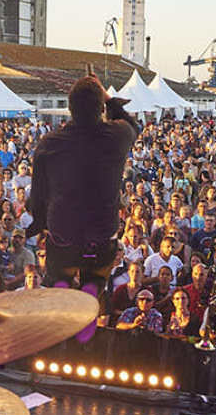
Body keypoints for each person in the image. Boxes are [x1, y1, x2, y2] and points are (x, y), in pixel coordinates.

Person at [26, 76, 139, 297]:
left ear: (69, 107)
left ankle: (63, 300)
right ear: (101, 108)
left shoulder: (49, 143)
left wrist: (39, 224)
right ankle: (92, 298)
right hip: (103, 237)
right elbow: (133, 125)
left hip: (63, 236)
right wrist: (108, 99)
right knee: (93, 290)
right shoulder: (118, 135)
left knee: (59, 293)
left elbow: (39, 195)